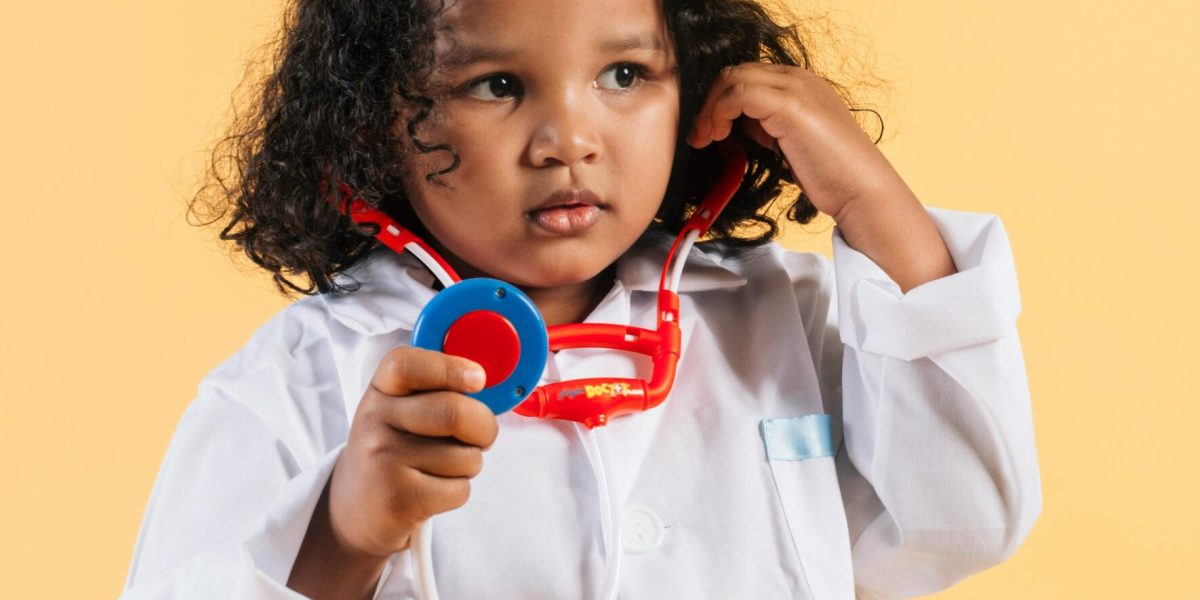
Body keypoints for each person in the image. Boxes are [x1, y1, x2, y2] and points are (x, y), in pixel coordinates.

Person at [122, 0, 1041, 598]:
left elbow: (963, 517)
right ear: (370, 121)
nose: (568, 139)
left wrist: (875, 205)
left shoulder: (783, 317)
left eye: (625, 76)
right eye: (496, 85)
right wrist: (341, 539)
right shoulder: (296, 381)